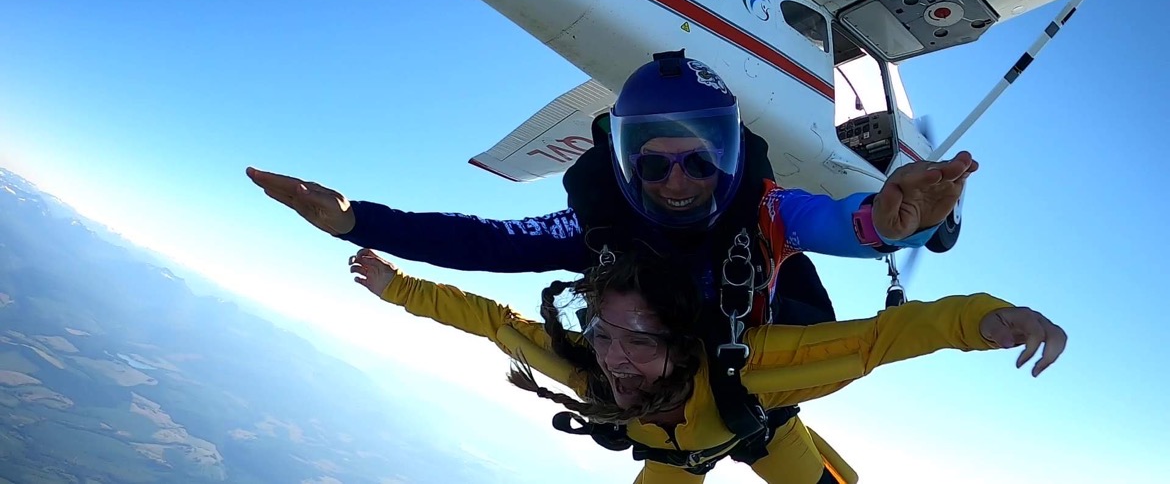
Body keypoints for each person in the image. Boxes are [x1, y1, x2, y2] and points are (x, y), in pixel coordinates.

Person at [247, 50, 976, 477]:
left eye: (701, 159)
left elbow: (837, 223)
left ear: (729, 154)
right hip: (666, 430)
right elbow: (483, 244)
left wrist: (888, 225)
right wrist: (354, 222)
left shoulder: (766, 210)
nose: (679, 181)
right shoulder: (595, 228)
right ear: (623, 164)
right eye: (652, 165)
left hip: (757, 405)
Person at [347, 246, 1066, 484]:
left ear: (683, 341)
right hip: (671, 461)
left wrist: (989, 321)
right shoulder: (588, 370)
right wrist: (396, 286)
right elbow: (491, 323)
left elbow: (878, 339)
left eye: (641, 341)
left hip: (761, 430)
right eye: (604, 333)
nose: (617, 360)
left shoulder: (755, 369)